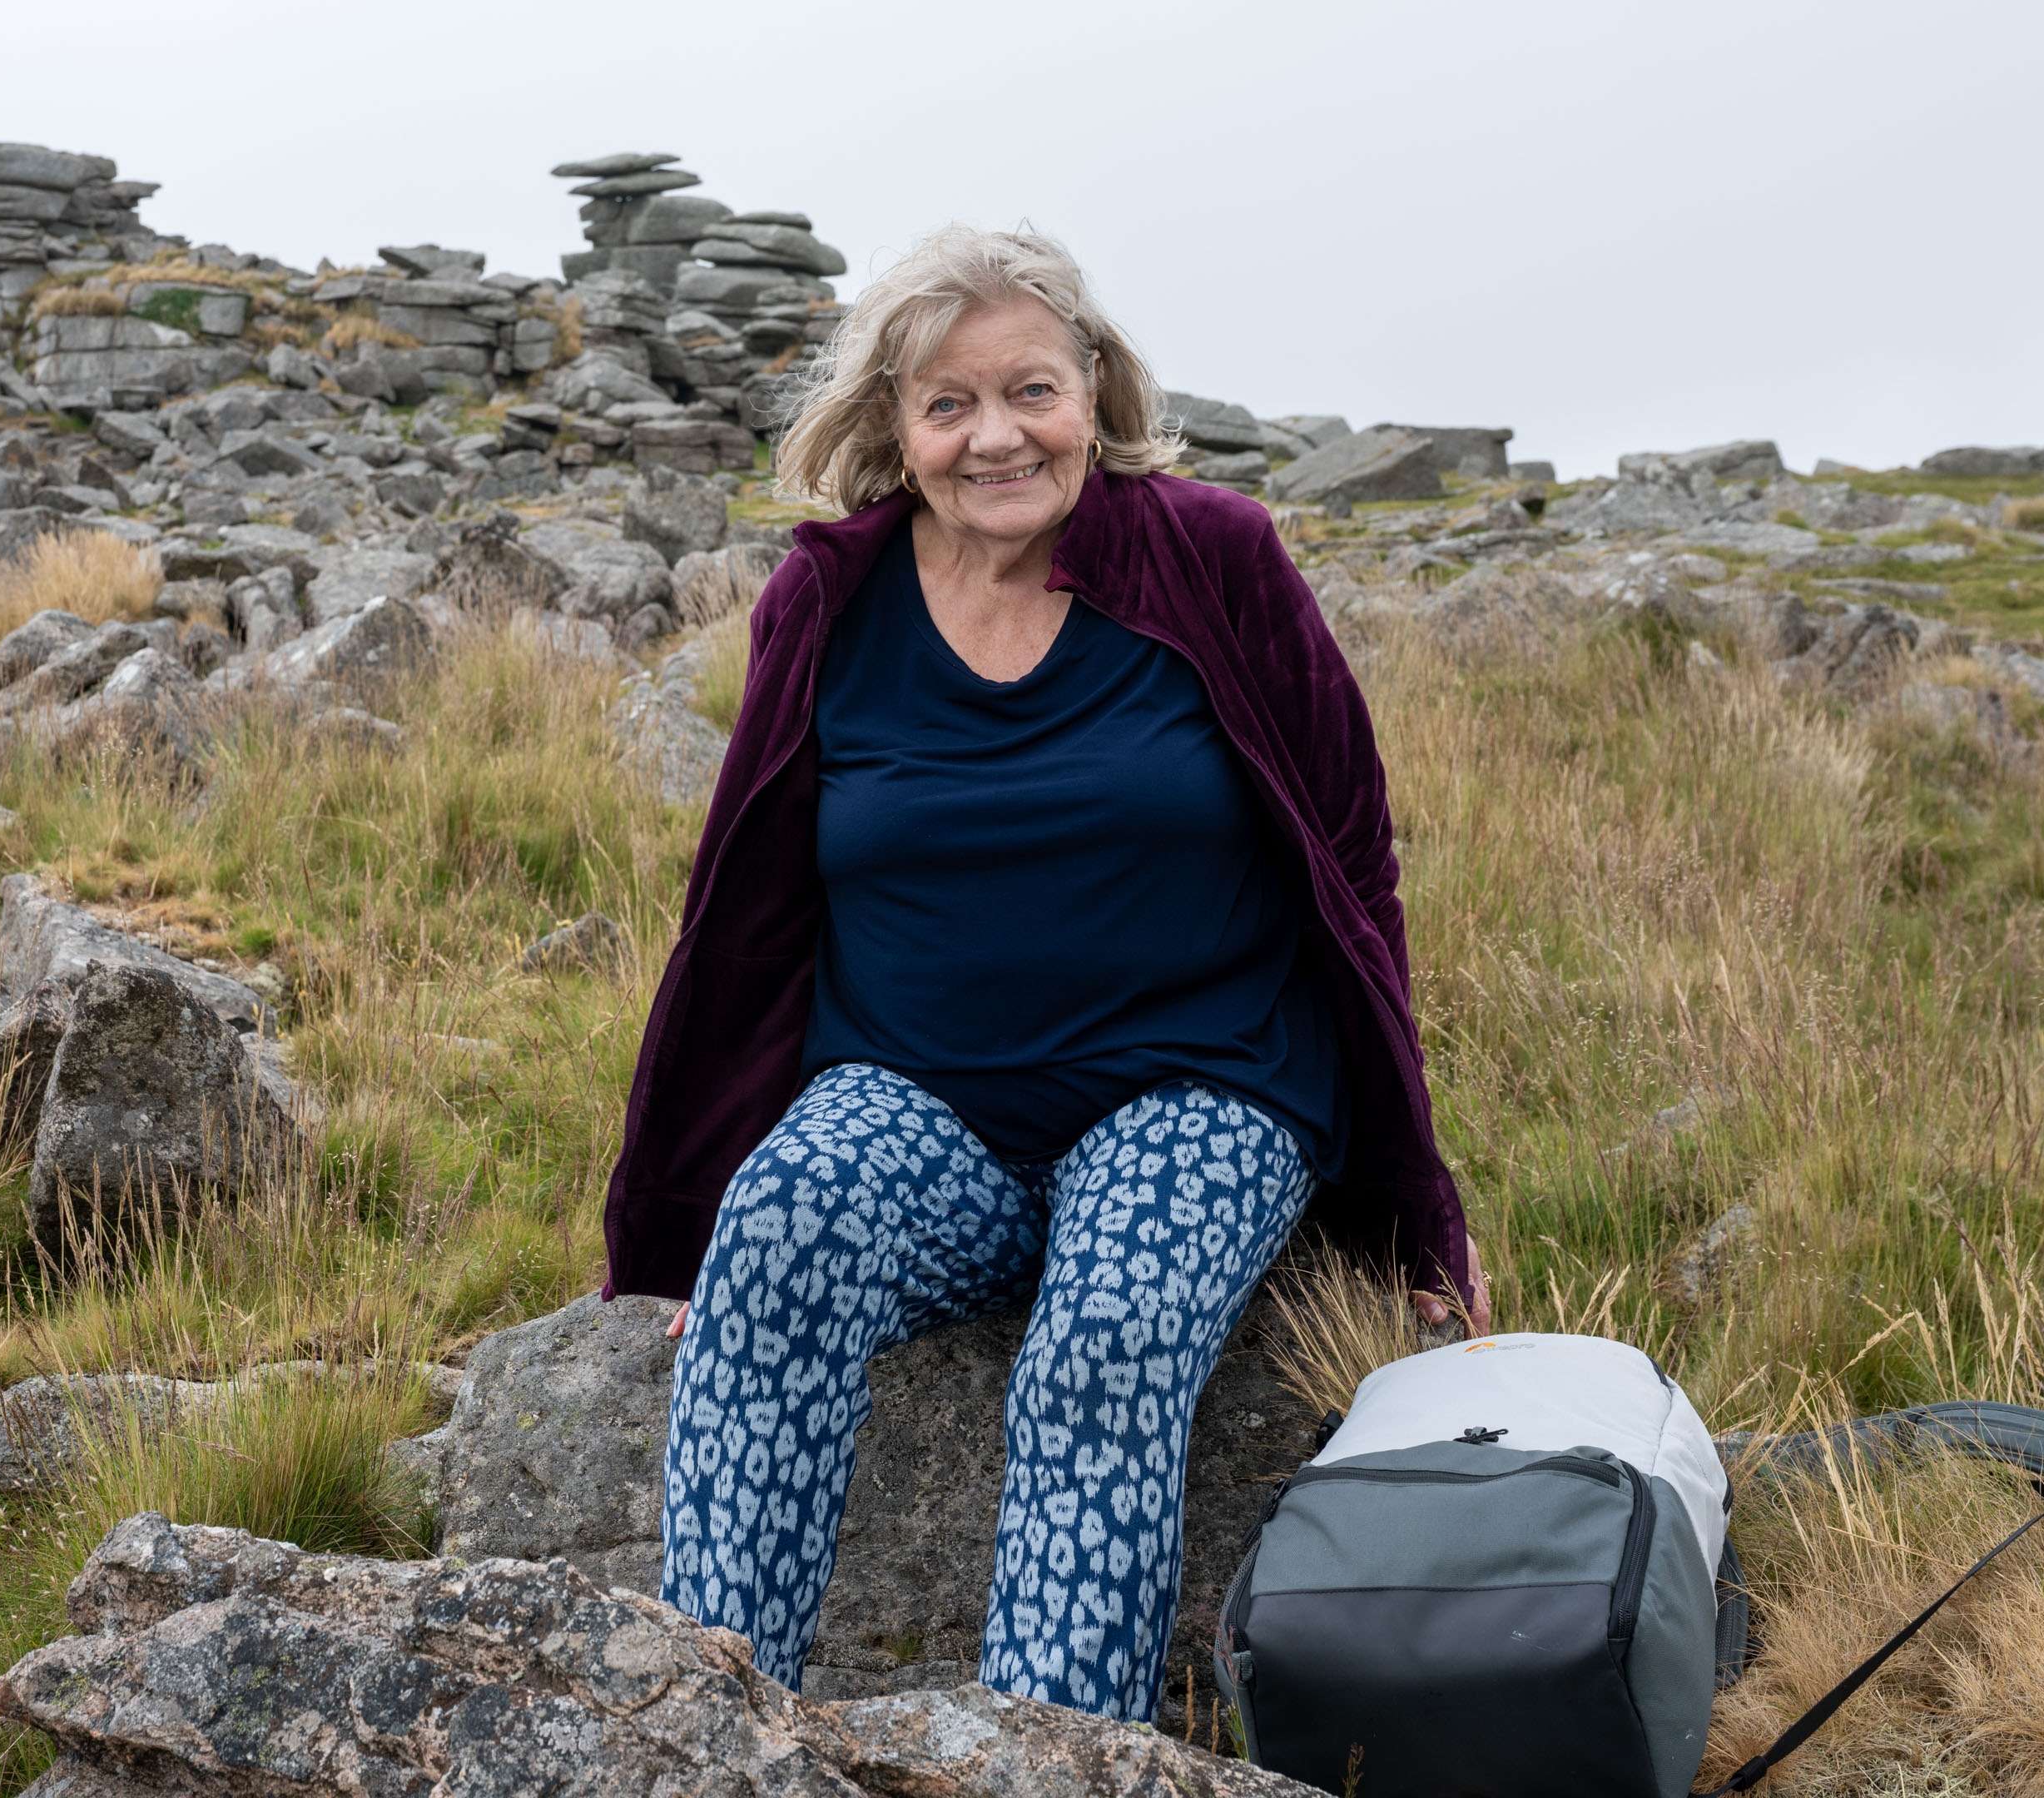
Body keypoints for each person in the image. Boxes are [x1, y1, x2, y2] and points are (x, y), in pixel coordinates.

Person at [598, 225, 1488, 1719]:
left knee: (1103, 1341)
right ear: (895, 427)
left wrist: (1415, 1214)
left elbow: (1352, 865)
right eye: (948, 405)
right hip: (919, 1105)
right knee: (779, 1239)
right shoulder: (829, 603)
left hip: (1198, 1091)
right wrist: (706, 1217)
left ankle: (1047, 1752)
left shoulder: (1214, 556)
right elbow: (747, 915)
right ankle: (714, 1740)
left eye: (1031, 392)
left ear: (1095, 394)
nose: (996, 437)